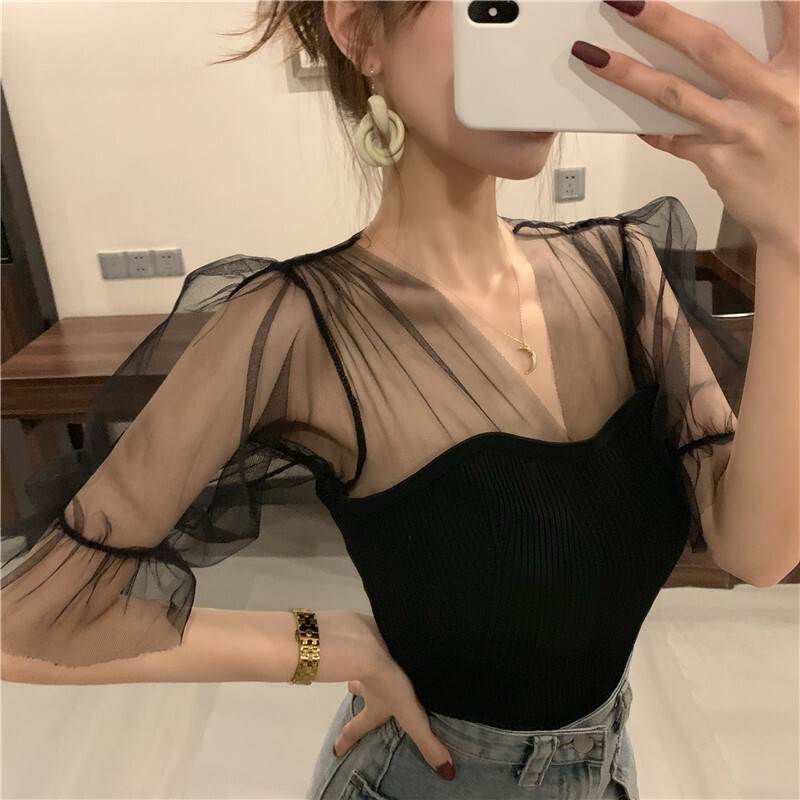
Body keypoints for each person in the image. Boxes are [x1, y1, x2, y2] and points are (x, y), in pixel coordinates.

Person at [3, 2, 797, 799]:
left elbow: (757, 553)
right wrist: (323, 644)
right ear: (359, 30)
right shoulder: (300, 326)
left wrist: (790, 241)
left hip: (610, 770)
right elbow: (25, 622)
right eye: (495, 5)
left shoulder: (619, 270)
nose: (538, 38)